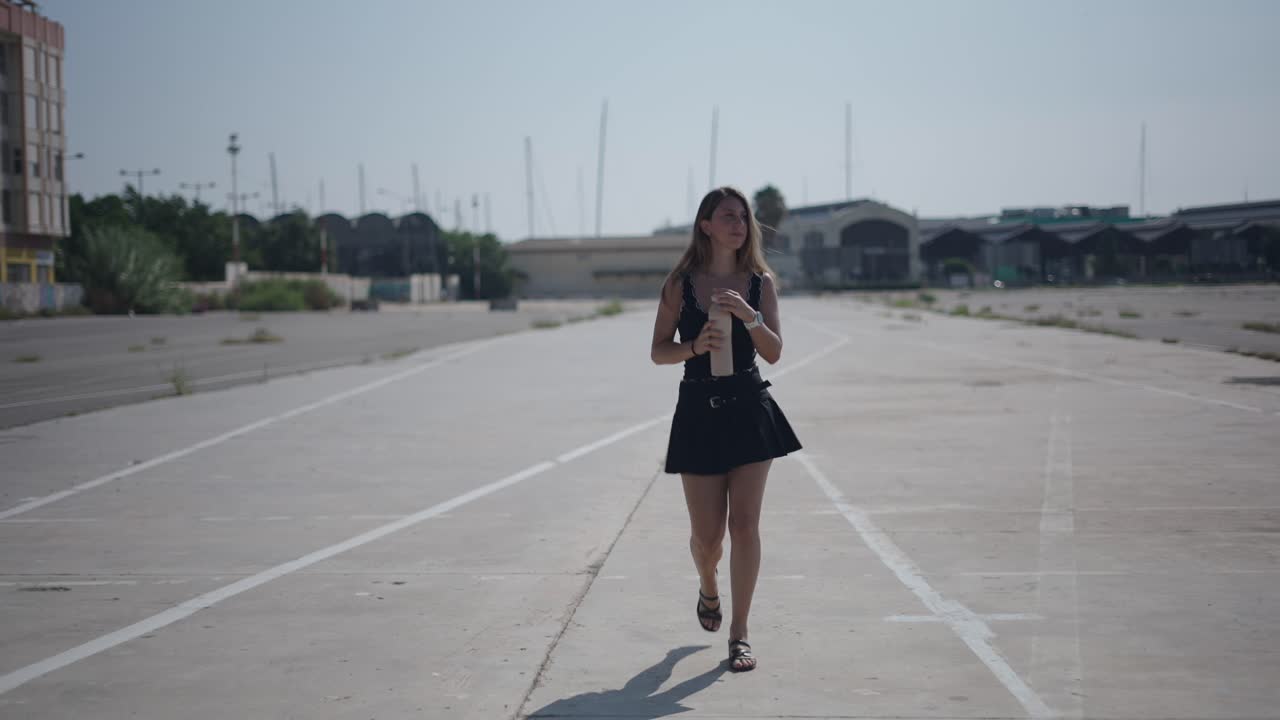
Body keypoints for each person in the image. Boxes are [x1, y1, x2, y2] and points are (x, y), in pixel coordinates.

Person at [649, 186, 803, 673]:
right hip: (698, 409)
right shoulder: (680, 283)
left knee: (745, 526)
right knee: (708, 538)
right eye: (727, 216)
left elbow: (775, 350)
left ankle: (740, 635)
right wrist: (694, 346)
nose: (739, 224)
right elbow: (658, 350)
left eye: (744, 217)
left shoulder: (761, 282)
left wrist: (748, 316)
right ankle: (708, 586)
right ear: (706, 225)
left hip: (749, 406)